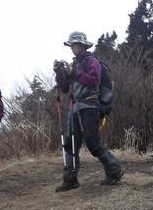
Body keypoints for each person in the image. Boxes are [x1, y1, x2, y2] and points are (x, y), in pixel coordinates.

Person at [53, 31, 123, 192]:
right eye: (70, 45)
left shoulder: (92, 62)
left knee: (92, 142)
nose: (71, 48)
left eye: (74, 45)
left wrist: (73, 72)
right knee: (70, 143)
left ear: (82, 44)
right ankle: (70, 180)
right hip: (74, 108)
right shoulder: (75, 64)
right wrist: (59, 74)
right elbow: (64, 89)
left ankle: (114, 170)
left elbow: (93, 81)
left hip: (90, 105)